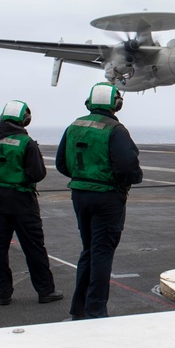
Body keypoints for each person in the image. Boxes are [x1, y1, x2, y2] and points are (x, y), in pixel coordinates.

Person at [56, 82, 143, 319]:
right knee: (102, 252)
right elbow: (128, 168)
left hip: (80, 195)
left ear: (89, 103)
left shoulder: (74, 126)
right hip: (107, 198)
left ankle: (80, 308)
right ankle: (96, 310)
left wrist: (84, 178)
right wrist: (128, 180)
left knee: (89, 250)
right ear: (117, 104)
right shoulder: (116, 129)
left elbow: (62, 163)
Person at [0, 100, 63, 306]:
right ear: (25, 119)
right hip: (22, 201)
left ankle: (3, 293)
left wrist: (2, 172)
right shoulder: (26, 143)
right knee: (34, 248)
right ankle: (45, 291)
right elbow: (38, 174)